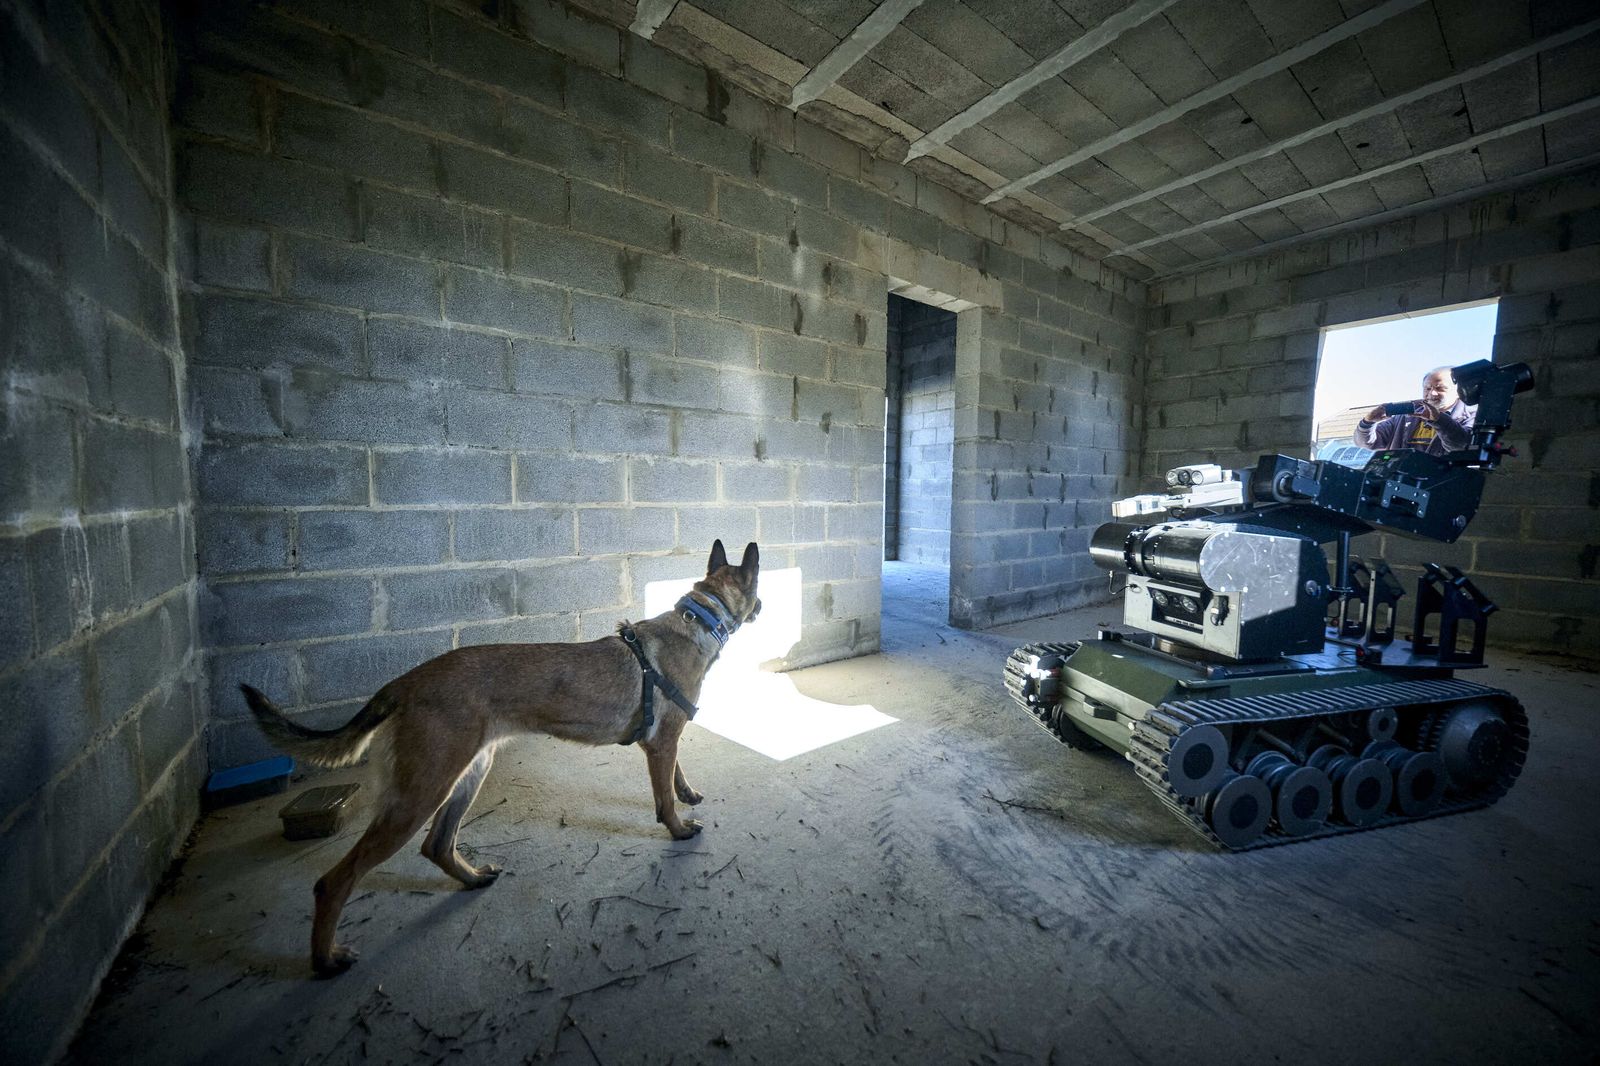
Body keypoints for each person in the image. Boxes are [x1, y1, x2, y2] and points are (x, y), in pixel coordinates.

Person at [1354, 366, 1475, 456]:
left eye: (1440, 388)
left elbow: (1460, 448)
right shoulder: (1404, 416)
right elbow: (1365, 443)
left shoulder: (1473, 417)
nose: (1432, 393)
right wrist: (1367, 423)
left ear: (1459, 392)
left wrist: (1439, 420)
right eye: (1427, 388)